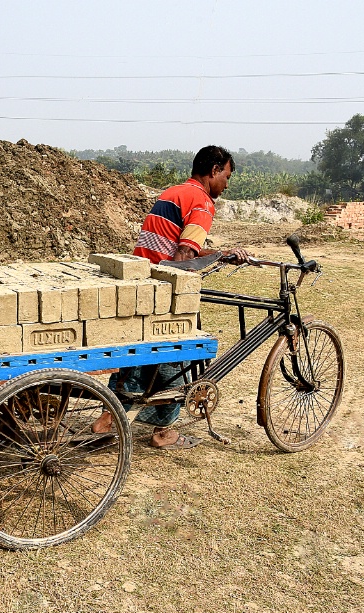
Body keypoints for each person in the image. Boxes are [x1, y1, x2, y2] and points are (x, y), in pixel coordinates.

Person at [94, 145, 251, 449]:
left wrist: (220, 253)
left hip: (142, 281)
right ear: (214, 170)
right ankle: (162, 432)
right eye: (227, 176)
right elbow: (181, 256)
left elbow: (174, 245)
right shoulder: (203, 203)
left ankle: (107, 419)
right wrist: (209, 263)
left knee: (136, 356)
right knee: (177, 355)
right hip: (164, 288)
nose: (227, 185)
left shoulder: (173, 192)